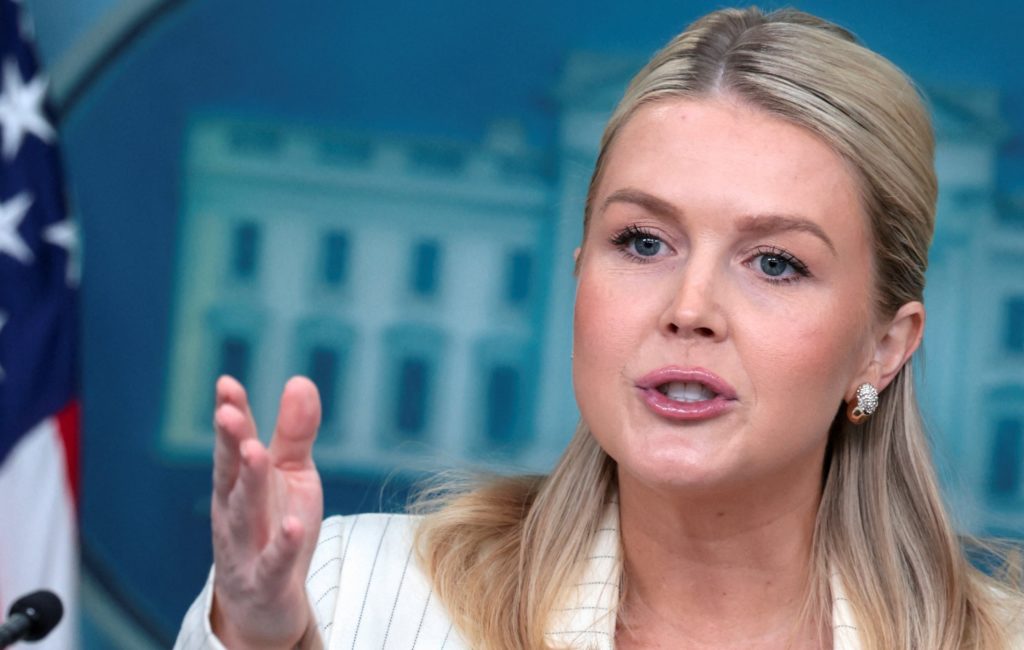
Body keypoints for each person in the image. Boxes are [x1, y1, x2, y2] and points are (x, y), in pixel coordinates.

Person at [175, 6, 1024, 649]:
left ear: (885, 345)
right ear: (580, 271)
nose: (689, 309)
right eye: (643, 241)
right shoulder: (342, 594)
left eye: (775, 262)